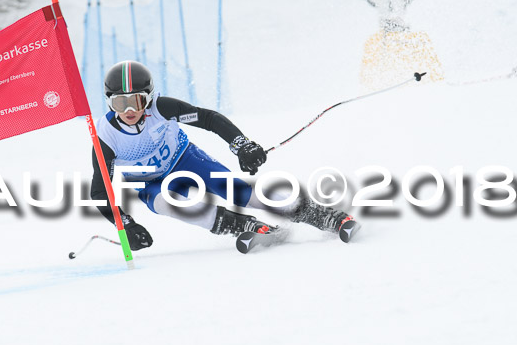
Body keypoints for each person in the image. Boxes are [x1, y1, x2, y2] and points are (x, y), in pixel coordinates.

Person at [90, 60, 358, 251]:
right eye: (119, 103)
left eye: (135, 101)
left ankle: (322, 216)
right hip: (149, 182)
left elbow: (208, 118)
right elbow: (99, 192)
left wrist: (241, 145)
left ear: (148, 98)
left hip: (185, 159)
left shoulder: (162, 108)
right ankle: (241, 225)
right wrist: (126, 225)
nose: (128, 111)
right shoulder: (106, 136)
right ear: (109, 102)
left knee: (241, 193)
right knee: (166, 203)